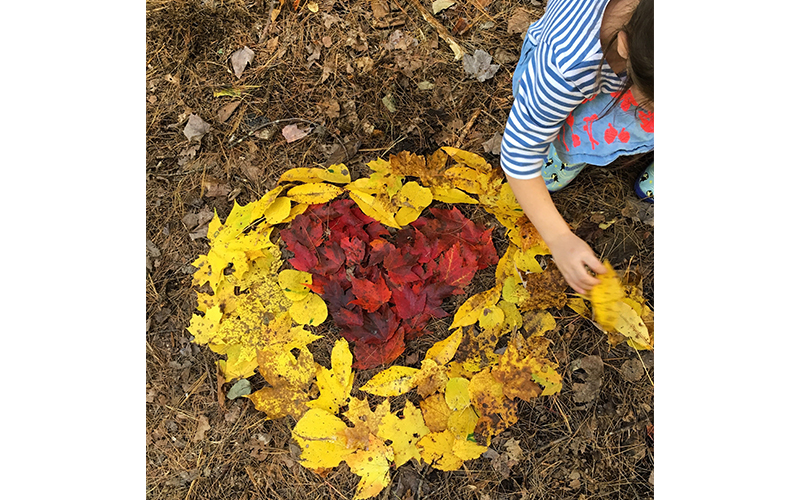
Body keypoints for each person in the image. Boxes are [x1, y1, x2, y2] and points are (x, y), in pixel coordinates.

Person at [501, 0, 654, 294]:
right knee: (581, 132)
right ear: (625, 45)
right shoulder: (565, 69)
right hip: (589, 86)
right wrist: (559, 238)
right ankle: (570, 151)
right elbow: (520, 152)